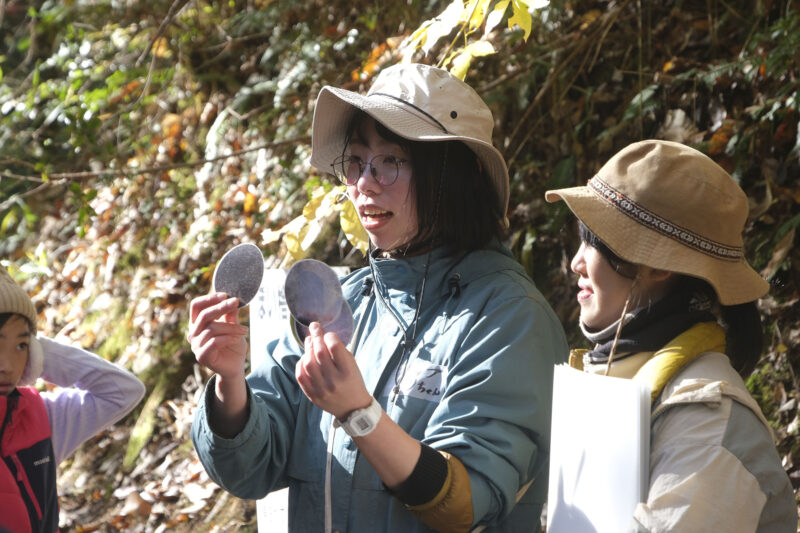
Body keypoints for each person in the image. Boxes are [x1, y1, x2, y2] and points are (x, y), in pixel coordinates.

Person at [189, 63, 568, 532]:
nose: (365, 183)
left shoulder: (508, 317)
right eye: (356, 162)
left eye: (391, 161)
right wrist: (229, 382)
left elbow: (470, 501)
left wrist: (359, 414)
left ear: (455, 177)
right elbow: (252, 467)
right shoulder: (340, 303)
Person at [545, 139, 797, 532]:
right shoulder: (626, 374)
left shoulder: (706, 424)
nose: (575, 262)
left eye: (593, 243)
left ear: (658, 266)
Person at [0, 265, 145, 533]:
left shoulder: (41, 419)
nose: (7, 365)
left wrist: (42, 354)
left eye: (21, 346)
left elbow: (123, 391)